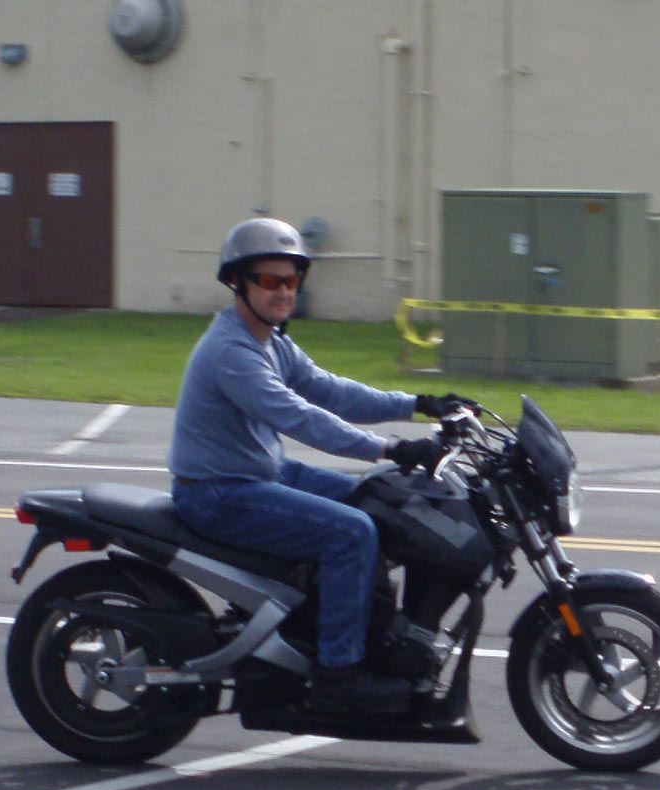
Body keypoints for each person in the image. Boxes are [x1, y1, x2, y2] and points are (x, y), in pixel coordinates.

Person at [167, 217, 473, 713]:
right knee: (352, 532)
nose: (283, 291)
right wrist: (392, 448)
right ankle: (338, 673)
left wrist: (419, 402)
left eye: (291, 279)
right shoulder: (232, 352)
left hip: (259, 472)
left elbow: (330, 391)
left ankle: (368, 630)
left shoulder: (270, 341)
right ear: (238, 283)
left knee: (380, 500)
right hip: (218, 493)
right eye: (270, 279)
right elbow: (301, 418)